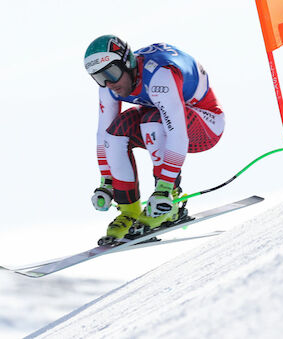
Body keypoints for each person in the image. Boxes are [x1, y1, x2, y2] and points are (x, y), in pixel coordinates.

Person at [84, 35, 225, 242]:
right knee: (116, 131)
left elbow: (178, 134)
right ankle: (130, 212)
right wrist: (106, 183)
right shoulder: (110, 85)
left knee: (151, 118)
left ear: (127, 63)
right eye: (98, 77)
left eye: (111, 73)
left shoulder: (160, 75)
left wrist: (165, 188)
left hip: (206, 126)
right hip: (163, 124)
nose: (107, 83)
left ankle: (171, 204)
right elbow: (102, 134)